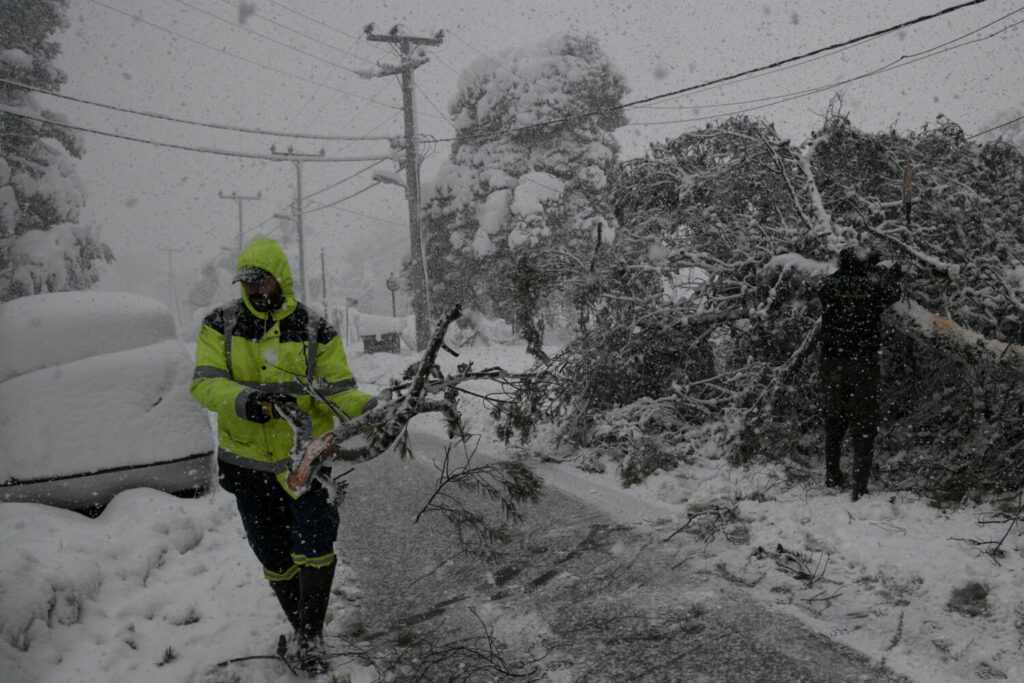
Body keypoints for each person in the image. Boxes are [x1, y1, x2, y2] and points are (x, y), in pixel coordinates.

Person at [190, 236, 375, 674]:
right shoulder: (221, 324)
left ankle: (311, 636)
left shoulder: (314, 328)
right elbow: (205, 382)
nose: (253, 289)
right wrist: (248, 401)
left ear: (280, 278)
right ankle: (298, 623)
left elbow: (338, 390)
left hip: (308, 462)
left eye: (260, 280)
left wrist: (368, 407)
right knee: (273, 554)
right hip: (248, 464)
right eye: (246, 282)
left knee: (315, 544)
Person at [818, 245, 903, 502]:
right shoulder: (873, 287)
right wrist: (890, 275)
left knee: (835, 418)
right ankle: (859, 486)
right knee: (864, 423)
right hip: (863, 362)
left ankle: (832, 475)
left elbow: (830, 291)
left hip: (832, 361)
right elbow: (894, 293)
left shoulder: (827, 285)